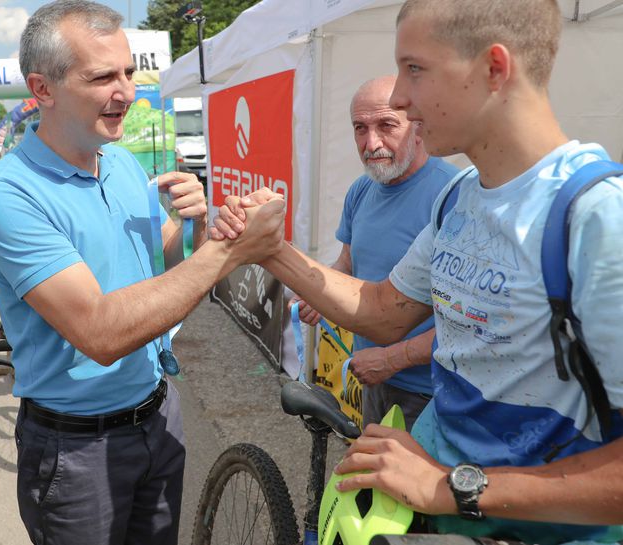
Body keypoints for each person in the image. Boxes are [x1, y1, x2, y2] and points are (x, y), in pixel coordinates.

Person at [214, 1, 623, 543]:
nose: (401, 96)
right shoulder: (460, 196)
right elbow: (383, 311)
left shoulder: (599, 219)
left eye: (415, 68)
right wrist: (270, 249)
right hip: (428, 512)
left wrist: (452, 486)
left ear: (494, 69)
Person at [0, 2, 285, 544]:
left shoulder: (119, 161)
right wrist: (229, 255)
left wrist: (204, 227)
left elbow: (157, 265)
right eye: (102, 77)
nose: (127, 92)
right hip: (77, 452)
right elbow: (101, 332)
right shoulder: (6, 194)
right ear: (42, 89)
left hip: (158, 416)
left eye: (130, 72)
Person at [293, 75, 458, 430]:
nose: (372, 143)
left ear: (418, 124)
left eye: (386, 125)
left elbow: (470, 321)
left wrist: (392, 359)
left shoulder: (452, 196)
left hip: (433, 392)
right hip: (374, 375)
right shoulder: (362, 190)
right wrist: (320, 293)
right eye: (360, 128)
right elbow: (348, 263)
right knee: (371, 483)